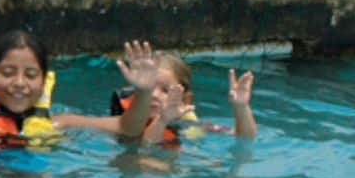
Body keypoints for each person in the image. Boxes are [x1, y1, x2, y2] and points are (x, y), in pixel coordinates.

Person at [0, 30, 161, 142]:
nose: (19, 84)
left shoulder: (60, 122)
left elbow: (127, 128)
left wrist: (145, 90)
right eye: (8, 73)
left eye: (31, 75)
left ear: (44, 81)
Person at [108, 54, 259, 143]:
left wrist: (241, 107)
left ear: (185, 100)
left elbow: (245, 137)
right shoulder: (122, 118)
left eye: (166, 90)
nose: (154, 94)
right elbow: (144, 148)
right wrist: (162, 120)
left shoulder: (187, 124)